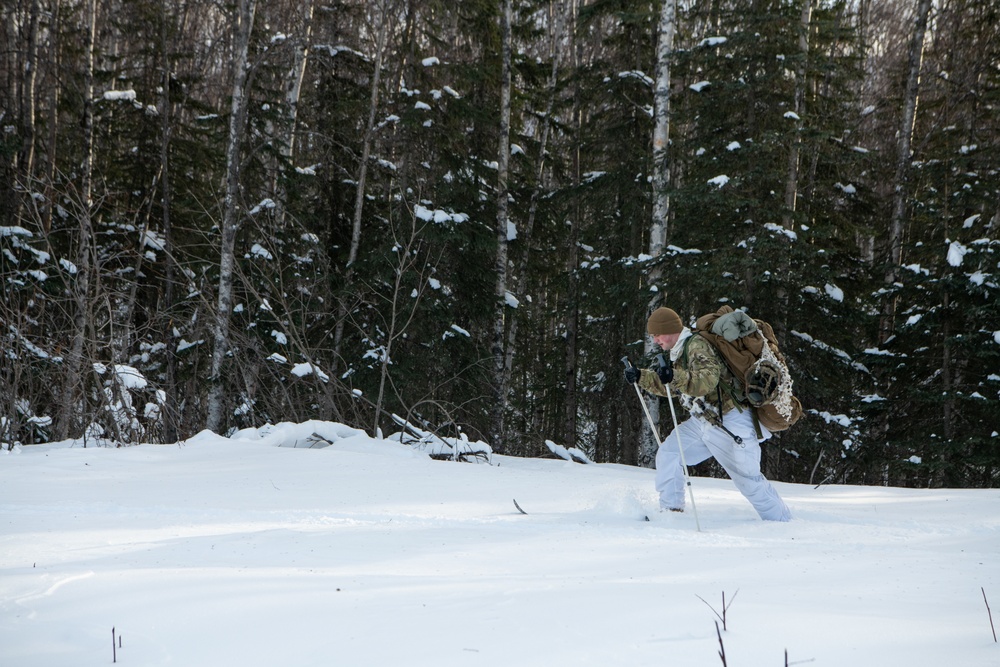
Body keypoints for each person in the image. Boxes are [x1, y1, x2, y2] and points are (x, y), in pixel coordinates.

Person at [624, 307, 791, 521]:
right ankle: (671, 511)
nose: (656, 340)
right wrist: (640, 376)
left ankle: (781, 521)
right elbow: (674, 386)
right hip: (705, 419)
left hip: (730, 421)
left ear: (671, 329)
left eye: (657, 335)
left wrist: (674, 376)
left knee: (747, 479)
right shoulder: (681, 349)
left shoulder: (696, 345)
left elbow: (706, 381)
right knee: (670, 453)